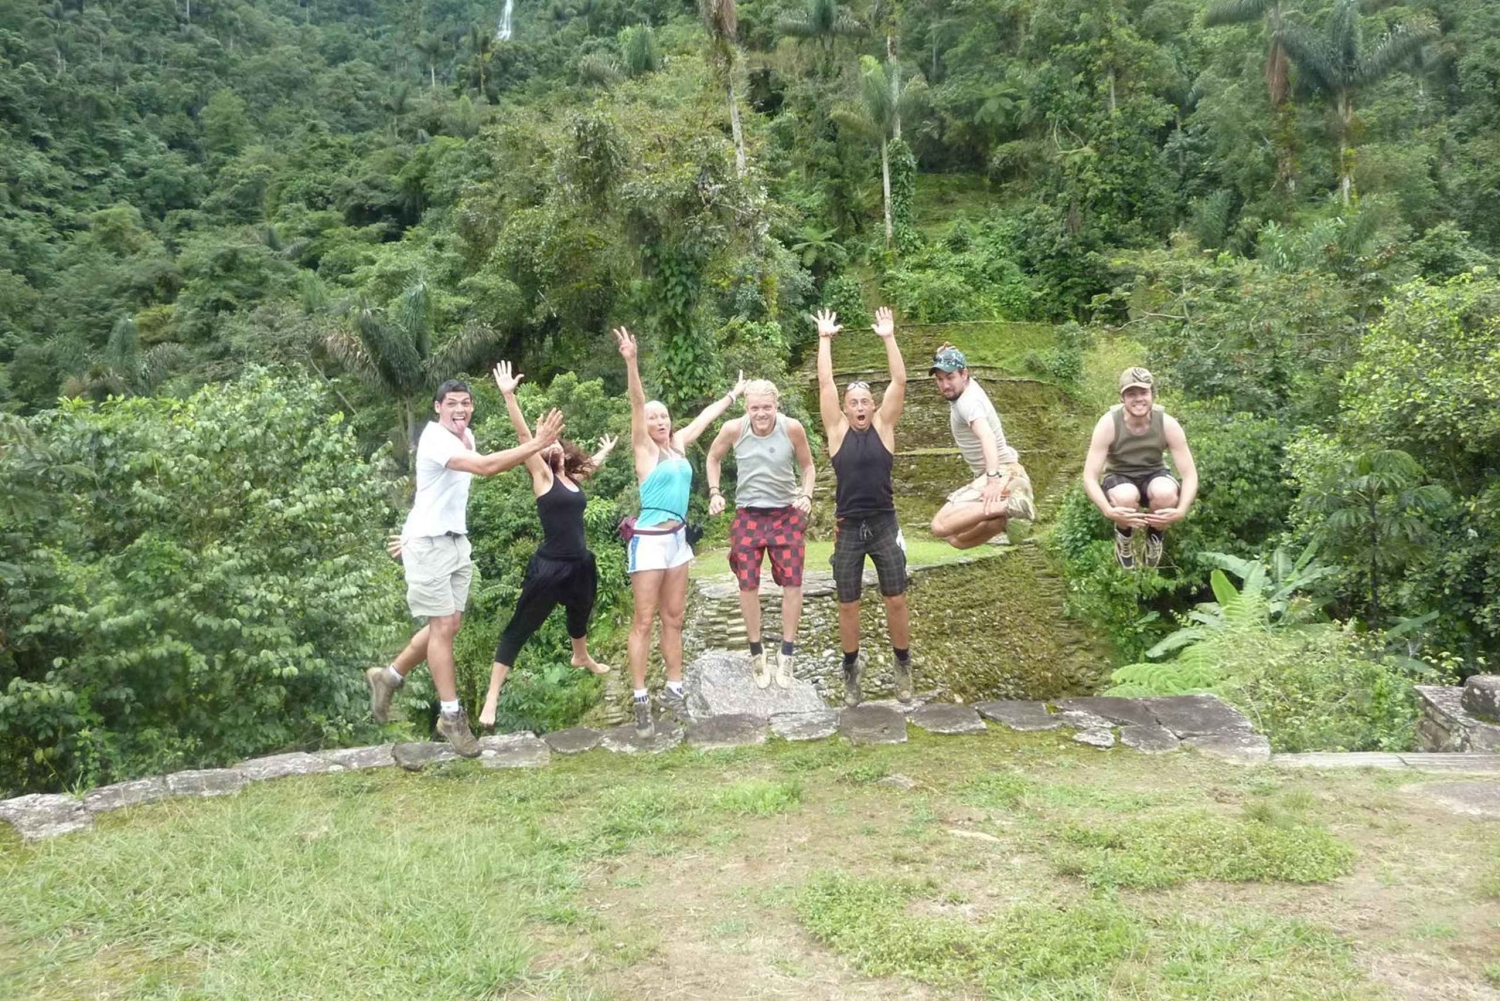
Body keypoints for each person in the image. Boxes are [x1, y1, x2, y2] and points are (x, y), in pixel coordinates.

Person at [365, 379, 564, 756]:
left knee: (449, 625)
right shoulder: (436, 439)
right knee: (442, 627)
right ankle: (451, 717)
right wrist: (536, 443)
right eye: (452, 403)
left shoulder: (465, 436)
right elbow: (486, 468)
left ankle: (388, 677)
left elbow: (433, 492)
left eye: (467, 403)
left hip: (455, 540)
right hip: (430, 544)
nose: (461, 409)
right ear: (437, 407)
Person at [615, 326, 746, 737]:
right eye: (653, 417)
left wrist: (732, 396)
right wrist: (632, 362)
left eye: (663, 416)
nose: (658, 421)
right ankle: (639, 698)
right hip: (650, 541)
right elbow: (637, 404)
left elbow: (706, 418)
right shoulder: (646, 449)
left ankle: (674, 691)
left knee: (674, 618)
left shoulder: (679, 444)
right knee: (644, 620)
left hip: (677, 542)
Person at [475, 361, 618, 729]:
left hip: (579, 563)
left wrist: (603, 453)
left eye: (555, 441)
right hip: (549, 565)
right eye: (545, 443)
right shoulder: (540, 475)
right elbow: (525, 439)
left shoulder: (571, 478)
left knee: (581, 610)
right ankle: (491, 698)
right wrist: (510, 397)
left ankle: (580, 656)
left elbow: (591, 467)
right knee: (520, 627)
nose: (550, 445)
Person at [814, 306, 914, 706]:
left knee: (896, 599)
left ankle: (903, 665)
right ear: (845, 406)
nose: (858, 407)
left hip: (885, 524)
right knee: (848, 604)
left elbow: (900, 380)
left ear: (873, 407)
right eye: (852, 401)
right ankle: (850, 669)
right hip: (848, 527)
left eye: (864, 401)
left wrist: (888, 336)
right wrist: (824, 341)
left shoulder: (885, 428)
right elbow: (824, 384)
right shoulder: (837, 431)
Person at [704, 379, 817, 690]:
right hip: (749, 514)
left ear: (776, 406)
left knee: (793, 582)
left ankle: (787, 653)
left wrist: (806, 495)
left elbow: (808, 467)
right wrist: (714, 492)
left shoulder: (792, 428)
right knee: (747, 583)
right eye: (755, 408)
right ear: (747, 408)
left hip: (785, 514)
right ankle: (757, 652)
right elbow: (713, 457)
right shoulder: (733, 429)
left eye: (767, 407)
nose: (761, 413)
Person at [1081, 366, 1199, 569]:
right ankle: (1124, 537)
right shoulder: (1108, 424)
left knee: (1165, 493)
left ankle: (1155, 536)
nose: (1138, 399)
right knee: (1126, 496)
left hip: (1155, 473)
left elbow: (1189, 474)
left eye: (1143, 392)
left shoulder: (1167, 424)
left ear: (1153, 394)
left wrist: (1181, 510)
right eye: (1131, 394)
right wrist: (1108, 511)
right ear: (1122, 398)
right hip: (1119, 476)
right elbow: (1090, 477)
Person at [927, 344, 1036, 549]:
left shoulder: (967, 403)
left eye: (950, 378)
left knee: (940, 526)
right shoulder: (969, 388)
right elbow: (953, 367)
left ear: (964, 374)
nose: (945, 385)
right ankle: (1004, 516)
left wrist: (992, 480)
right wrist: (940, 356)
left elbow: (986, 436)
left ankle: (1012, 505)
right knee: (957, 539)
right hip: (1014, 476)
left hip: (1003, 474)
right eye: (940, 380)